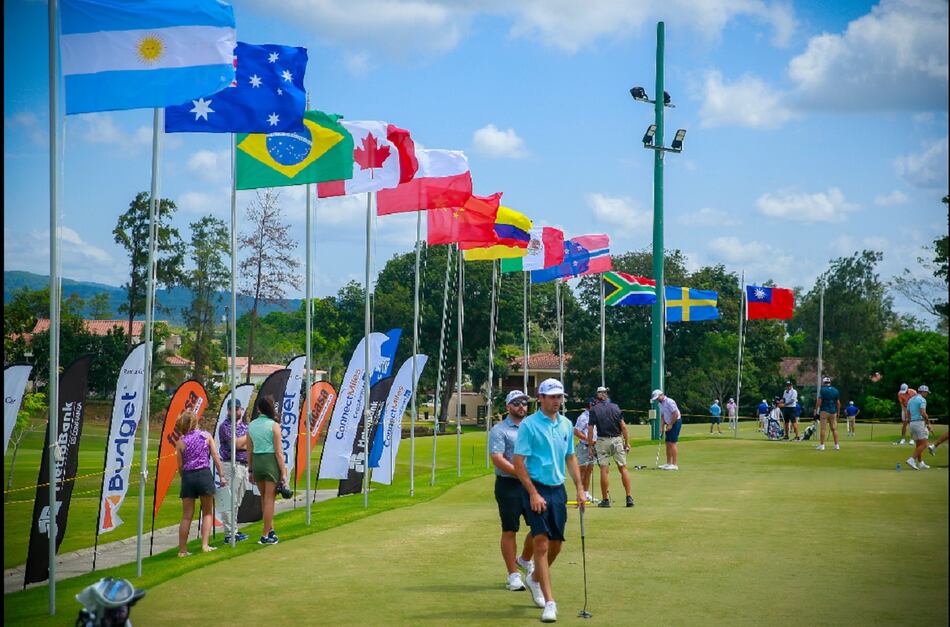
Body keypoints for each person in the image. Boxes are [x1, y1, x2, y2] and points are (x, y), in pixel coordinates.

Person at [513, 378, 585, 623]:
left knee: (557, 545)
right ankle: (550, 602)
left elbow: (571, 457)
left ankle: (534, 579)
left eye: (559, 397)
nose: (556, 401)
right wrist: (532, 492)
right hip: (535, 487)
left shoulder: (566, 424)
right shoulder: (529, 426)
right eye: (552, 397)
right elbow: (519, 462)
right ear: (540, 399)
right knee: (541, 543)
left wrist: (580, 488)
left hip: (557, 489)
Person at [489, 390, 536, 592]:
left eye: (524, 403)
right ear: (508, 407)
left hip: (532, 484)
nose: (521, 407)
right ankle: (513, 575)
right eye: (516, 403)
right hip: (509, 484)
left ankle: (524, 560)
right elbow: (498, 458)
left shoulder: (533, 427)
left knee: (540, 526)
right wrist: (520, 473)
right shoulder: (499, 430)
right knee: (510, 529)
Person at [175, 411, 226, 557]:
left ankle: (182, 550)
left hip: (188, 476)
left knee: (186, 516)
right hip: (203, 474)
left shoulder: (180, 442)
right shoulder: (206, 436)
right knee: (208, 512)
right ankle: (204, 545)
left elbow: (180, 465)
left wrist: (184, 477)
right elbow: (216, 456)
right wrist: (221, 475)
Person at [247, 395, 288, 545]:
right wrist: (283, 472)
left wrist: (250, 470)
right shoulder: (274, 425)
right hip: (270, 462)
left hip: (257, 462)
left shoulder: (251, 425)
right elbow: (278, 452)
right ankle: (265, 535)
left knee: (264, 498)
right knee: (270, 499)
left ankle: (270, 530)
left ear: (259, 409)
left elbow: (249, 451)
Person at [588, 386, 634, 508]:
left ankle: (605, 500)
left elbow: (590, 429)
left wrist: (590, 447)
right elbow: (623, 426)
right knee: (623, 468)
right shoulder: (615, 407)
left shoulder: (594, 409)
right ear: (606, 395)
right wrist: (627, 442)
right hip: (617, 440)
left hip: (602, 441)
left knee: (604, 470)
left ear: (597, 396)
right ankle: (629, 498)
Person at [215, 397, 250, 544]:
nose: (235, 411)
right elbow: (235, 445)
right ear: (228, 410)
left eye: (237, 408)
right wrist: (245, 441)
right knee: (230, 500)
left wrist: (244, 442)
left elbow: (249, 445)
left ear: (241, 409)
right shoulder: (225, 426)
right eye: (232, 409)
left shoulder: (244, 426)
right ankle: (229, 534)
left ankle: (234, 530)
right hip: (230, 465)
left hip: (244, 465)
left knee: (237, 501)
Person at [573, 398, 597, 503]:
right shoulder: (583, 417)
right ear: (590, 405)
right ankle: (580, 494)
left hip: (593, 447)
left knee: (589, 470)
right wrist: (588, 440)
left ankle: (586, 493)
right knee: (582, 471)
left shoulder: (595, 416)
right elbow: (576, 431)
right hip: (584, 446)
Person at [651, 389, 682, 470]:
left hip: (675, 422)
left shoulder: (669, 401)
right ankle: (668, 463)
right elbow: (662, 416)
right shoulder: (660, 404)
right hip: (669, 422)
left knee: (672, 443)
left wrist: (671, 424)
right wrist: (661, 427)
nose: (657, 399)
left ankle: (674, 465)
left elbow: (675, 413)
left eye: (658, 397)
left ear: (662, 395)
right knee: (667, 442)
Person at [905, 385, 933, 470]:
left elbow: (908, 413)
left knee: (919, 444)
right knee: (924, 444)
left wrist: (911, 422)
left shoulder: (910, 399)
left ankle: (920, 463)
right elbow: (923, 412)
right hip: (919, 423)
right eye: (926, 392)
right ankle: (912, 459)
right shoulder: (922, 400)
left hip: (912, 423)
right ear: (923, 392)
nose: (927, 394)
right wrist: (928, 424)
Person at [814, 376, 841, 451]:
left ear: (824, 382)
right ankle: (837, 445)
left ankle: (822, 445)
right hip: (833, 411)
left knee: (823, 428)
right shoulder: (836, 390)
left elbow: (819, 401)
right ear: (830, 382)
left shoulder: (822, 390)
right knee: (834, 429)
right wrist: (838, 412)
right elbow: (838, 403)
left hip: (824, 411)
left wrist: (816, 410)